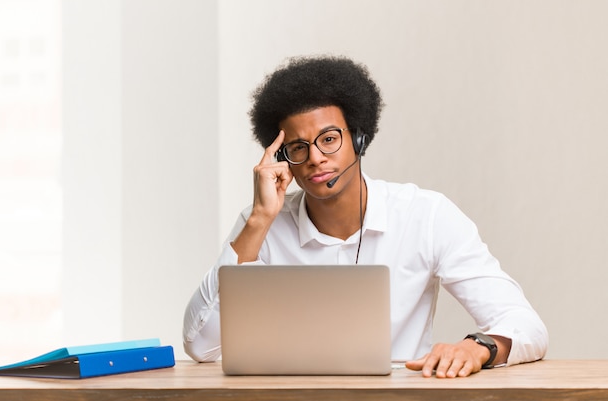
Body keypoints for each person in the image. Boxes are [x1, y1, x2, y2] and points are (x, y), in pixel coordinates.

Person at [183, 55, 548, 378]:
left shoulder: (425, 215)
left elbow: (527, 325)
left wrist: (475, 347)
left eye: (328, 139)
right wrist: (260, 219)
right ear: (284, 159)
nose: (315, 158)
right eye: (298, 147)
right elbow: (200, 345)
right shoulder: (260, 223)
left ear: (359, 138)